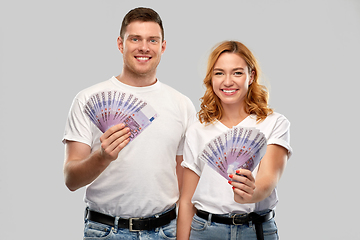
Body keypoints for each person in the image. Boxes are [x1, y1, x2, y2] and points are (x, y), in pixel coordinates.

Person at [62, 7, 196, 239]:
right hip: (105, 231)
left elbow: (185, 187)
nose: (144, 47)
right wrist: (102, 156)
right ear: (120, 44)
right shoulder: (87, 99)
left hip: (165, 231)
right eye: (135, 39)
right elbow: (71, 180)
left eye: (152, 40)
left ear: (163, 46)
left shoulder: (182, 105)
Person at [177, 40, 292, 240]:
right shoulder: (197, 127)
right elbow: (187, 200)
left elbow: (268, 180)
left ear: (251, 76)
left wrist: (250, 192)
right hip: (206, 231)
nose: (228, 81)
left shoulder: (274, 123)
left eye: (237, 72)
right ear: (211, 78)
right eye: (219, 73)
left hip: (257, 231)